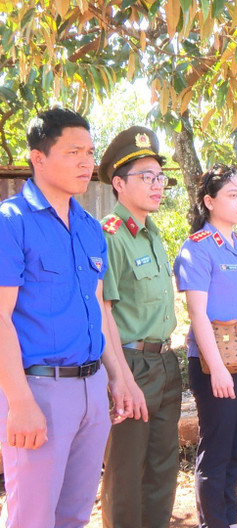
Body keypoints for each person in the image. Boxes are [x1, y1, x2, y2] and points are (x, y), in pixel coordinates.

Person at [0, 107, 135, 527]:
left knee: (75, 515)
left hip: (91, 392)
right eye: (73, 151)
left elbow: (97, 312)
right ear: (38, 158)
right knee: (33, 518)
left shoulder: (91, 228)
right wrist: (20, 403)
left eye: (90, 152)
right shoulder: (11, 223)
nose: (86, 161)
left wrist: (119, 377)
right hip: (39, 390)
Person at [174, 164, 237, 528]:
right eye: (233, 195)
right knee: (215, 450)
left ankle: (229, 519)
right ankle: (213, 522)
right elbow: (197, 315)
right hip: (216, 365)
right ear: (209, 201)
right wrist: (217, 369)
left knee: (234, 449)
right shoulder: (197, 248)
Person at [97, 125, 181, 528]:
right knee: (126, 471)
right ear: (118, 183)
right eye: (145, 177)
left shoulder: (152, 233)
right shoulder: (110, 236)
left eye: (159, 178)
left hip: (164, 362)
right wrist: (118, 376)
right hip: (130, 363)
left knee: (164, 467)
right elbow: (104, 312)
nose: (156, 185)